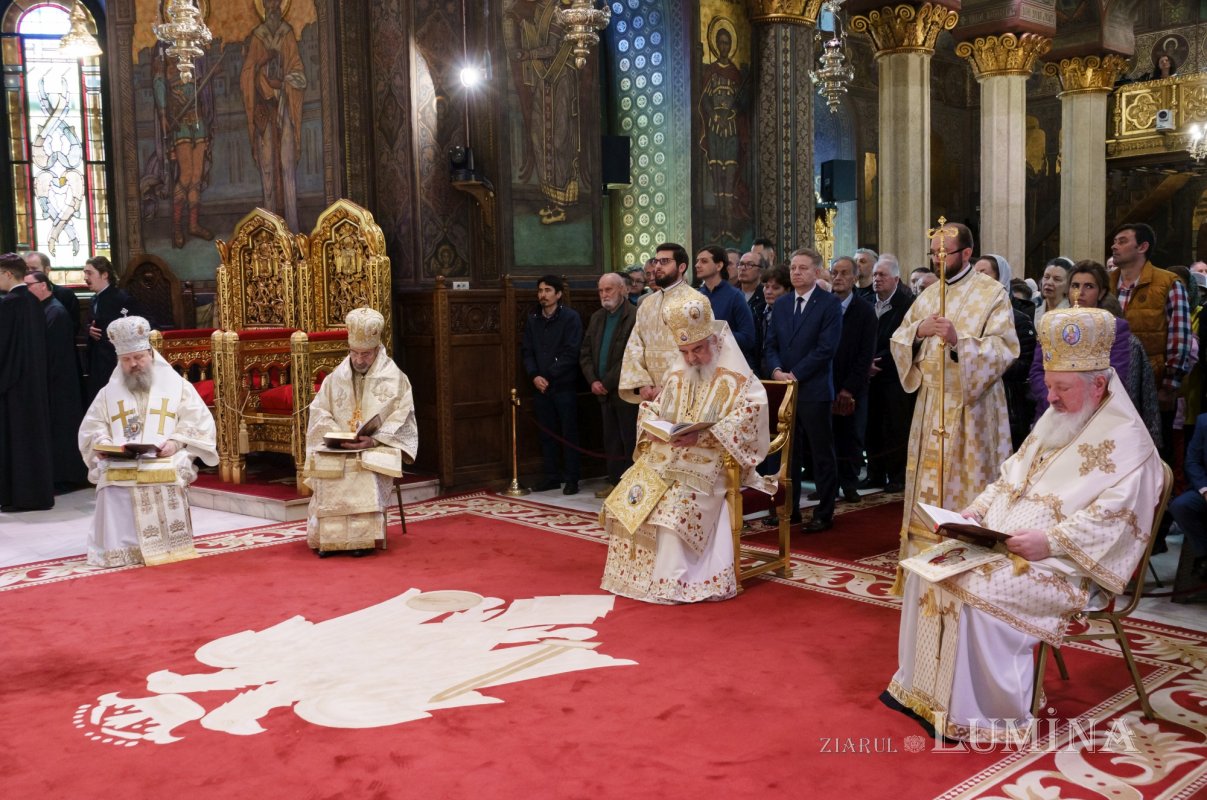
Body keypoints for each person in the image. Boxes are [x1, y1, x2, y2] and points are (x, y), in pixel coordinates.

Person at [883, 306, 1165, 743]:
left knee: (974, 589)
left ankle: (978, 715)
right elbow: (1007, 478)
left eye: (1062, 388)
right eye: (1049, 385)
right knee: (926, 568)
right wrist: (973, 514)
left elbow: (1115, 521)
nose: (1050, 398)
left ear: (1098, 385)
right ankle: (921, 693)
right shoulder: (1056, 419)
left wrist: (1049, 543)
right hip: (1003, 542)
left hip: (1067, 565)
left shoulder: (1131, 446)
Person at [599, 292, 772, 603]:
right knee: (634, 493)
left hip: (714, 462)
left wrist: (704, 437)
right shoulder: (679, 374)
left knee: (673, 504)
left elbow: (751, 417)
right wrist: (652, 423)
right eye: (685, 351)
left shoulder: (739, 379)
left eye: (698, 350)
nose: (691, 358)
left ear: (714, 342)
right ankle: (640, 577)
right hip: (671, 457)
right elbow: (659, 406)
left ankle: (676, 581)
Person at [890, 222, 1019, 573]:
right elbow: (899, 337)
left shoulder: (992, 294)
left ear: (965, 253)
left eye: (944, 252)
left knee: (966, 482)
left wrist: (960, 341)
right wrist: (919, 331)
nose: (937, 259)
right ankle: (921, 561)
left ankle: (970, 561)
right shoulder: (928, 295)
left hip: (971, 408)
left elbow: (1005, 348)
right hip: (931, 405)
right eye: (933, 253)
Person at [77, 316, 218, 567]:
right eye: (127, 360)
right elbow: (93, 426)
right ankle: (119, 550)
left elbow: (198, 420)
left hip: (164, 455)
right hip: (122, 460)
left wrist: (175, 442)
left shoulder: (177, 386)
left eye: (139, 357)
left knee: (170, 471)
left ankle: (168, 544)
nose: (134, 364)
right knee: (110, 479)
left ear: (150, 354)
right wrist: (104, 443)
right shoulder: (108, 393)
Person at [303, 308, 418, 557]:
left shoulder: (396, 379)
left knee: (361, 468)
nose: (358, 360)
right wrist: (335, 435)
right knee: (331, 467)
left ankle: (361, 539)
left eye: (365, 354)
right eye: (354, 353)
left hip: (376, 448)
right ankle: (327, 539)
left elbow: (404, 418)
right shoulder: (336, 377)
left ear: (377, 349)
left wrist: (374, 439)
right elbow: (319, 410)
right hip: (341, 447)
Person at [765, 247, 843, 531]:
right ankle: (788, 508)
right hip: (784, 388)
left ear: (816, 271)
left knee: (821, 452)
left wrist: (795, 374)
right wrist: (775, 371)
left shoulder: (828, 304)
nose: (796, 272)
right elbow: (770, 343)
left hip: (814, 389)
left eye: (803, 268)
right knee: (786, 453)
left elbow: (826, 349)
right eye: (794, 268)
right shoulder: (783, 303)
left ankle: (824, 512)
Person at [1109, 223, 1191, 461]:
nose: (1114, 246)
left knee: (1153, 454)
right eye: (1114, 241)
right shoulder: (1107, 283)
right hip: (1112, 385)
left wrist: (1169, 385)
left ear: (1142, 246)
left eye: (1122, 241)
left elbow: (1180, 335)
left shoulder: (1168, 283)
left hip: (1153, 386)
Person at [240, 0, 307, 231]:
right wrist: (263, 76)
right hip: (264, 113)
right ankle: (270, 228)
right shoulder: (257, 37)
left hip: (284, 108)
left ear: (280, 8)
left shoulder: (287, 35)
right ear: (264, 9)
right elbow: (247, 74)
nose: (272, 11)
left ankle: (293, 228)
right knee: (267, 165)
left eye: (275, 7)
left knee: (287, 162)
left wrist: (282, 84)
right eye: (268, 7)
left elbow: (298, 74)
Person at [0, 253, 54, 511]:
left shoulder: (10, 303)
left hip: (14, 384)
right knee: (34, 436)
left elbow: (4, 346)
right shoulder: (33, 301)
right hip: (34, 381)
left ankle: (19, 496)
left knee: (17, 439)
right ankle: (37, 494)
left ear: (8, 274)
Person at [24, 270, 87, 491]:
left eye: (29, 285)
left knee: (61, 430)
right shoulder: (43, 310)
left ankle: (65, 478)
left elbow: (54, 354)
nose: (26, 289)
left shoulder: (56, 312)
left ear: (42, 285)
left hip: (59, 383)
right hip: (51, 380)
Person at [619, 242, 703, 403]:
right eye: (656, 261)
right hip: (650, 394)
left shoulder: (695, 302)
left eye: (664, 262)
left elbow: (697, 350)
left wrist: (666, 385)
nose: (657, 266)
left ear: (681, 267)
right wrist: (643, 383)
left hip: (683, 391)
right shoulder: (647, 304)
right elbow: (635, 345)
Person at [522, 274, 583, 494]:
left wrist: (548, 375)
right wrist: (534, 375)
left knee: (568, 433)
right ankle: (551, 476)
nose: (543, 295)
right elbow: (527, 351)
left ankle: (572, 478)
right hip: (540, 386)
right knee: (546, 434)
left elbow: (571, 352)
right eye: (540, 290)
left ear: (558, 294)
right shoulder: (534, 319)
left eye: (548, 290)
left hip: (563, 385)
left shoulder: (570, 318)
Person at [579, 273, 639, 498]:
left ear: (623, 290)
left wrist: (606, 382)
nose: (604, 295)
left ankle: (630, 486)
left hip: (625, 390)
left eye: (609, 289)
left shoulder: (634, 316)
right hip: (601, 390)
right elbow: (585, 352)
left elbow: (630, 356)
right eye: (601, 290)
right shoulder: (597, 318)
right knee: (611, 439)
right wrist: (593, 380)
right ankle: (614, 482)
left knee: (628, 439)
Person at [974, 254, 1036, 452]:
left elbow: (1026, 365)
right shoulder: (970, 318)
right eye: (974, 274)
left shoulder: (1019, 319)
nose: (977, 279)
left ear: (1000, 277)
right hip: (976, 404)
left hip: (1008, 405)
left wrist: (986, 362)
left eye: (983, 273)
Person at [864, 254, 914, 492]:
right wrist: (864, 363)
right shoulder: (865, 301)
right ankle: (874, 473)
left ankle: (896, 475)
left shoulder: (908, 304)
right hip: (866, 375)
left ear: (896, 278)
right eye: (874, 274)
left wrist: (877, 362)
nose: (876, 279)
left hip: (893, 375)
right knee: (871, 425)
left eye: (882, 275)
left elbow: (905, 340)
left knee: (894, 426)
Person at [828, 256, 877, 502]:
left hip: (853, 386)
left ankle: (849, 483)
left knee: (851, 436)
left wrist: (849, 388)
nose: (838, 277)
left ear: (855, 278)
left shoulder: (865, 310)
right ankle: (828, 483)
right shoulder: (823, 306)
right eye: (834, 272)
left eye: (844, 273)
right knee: (826, 437)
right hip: (824, 384)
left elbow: (865, 354)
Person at [83, 256, 135, 404]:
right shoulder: (94, 299)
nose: (85, 277)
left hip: (115, 360)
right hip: (97, 360)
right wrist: (89, 330)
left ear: (104, 274)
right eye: (85, 273)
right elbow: (89, 324)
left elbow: (140, 324)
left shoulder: (122, 298)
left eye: (89, 273)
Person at [695, 245, 756, 367]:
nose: (697, 265)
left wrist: (717, 334)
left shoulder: (735, 296)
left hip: (729, 366)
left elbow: (748, 338)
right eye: (697, 261)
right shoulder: (695, 296)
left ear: (719, 266)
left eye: (704, 261)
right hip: (700, 365)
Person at [1169, 414, 1207, 577]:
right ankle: (1204, 554)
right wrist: (1205, 490)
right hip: (1204, 488)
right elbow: (1192, 461)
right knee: (1180, 506)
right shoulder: (1203, 421)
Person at [24, 251, 80, 336]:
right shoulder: (22, 295)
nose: (29, 272)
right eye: (26, 269)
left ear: (47, 270)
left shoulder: (65, 294)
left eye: (34, 269)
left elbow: (73, 326)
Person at [1035, 256, 1072, 325]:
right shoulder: (1033, 310)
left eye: (1057, 279)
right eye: (1046, 277)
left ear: (1068, 286)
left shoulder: (1072, 314)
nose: (1049, 282)